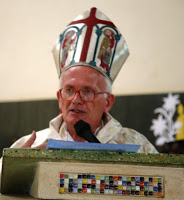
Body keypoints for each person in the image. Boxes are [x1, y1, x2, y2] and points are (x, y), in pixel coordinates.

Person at [5, 7, 159, 153]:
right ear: (59, 98)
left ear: (108, 102)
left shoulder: (136, 146)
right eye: (69, 90)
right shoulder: (32, 147)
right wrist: (16, 169)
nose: (76, 100)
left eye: (87, 91)